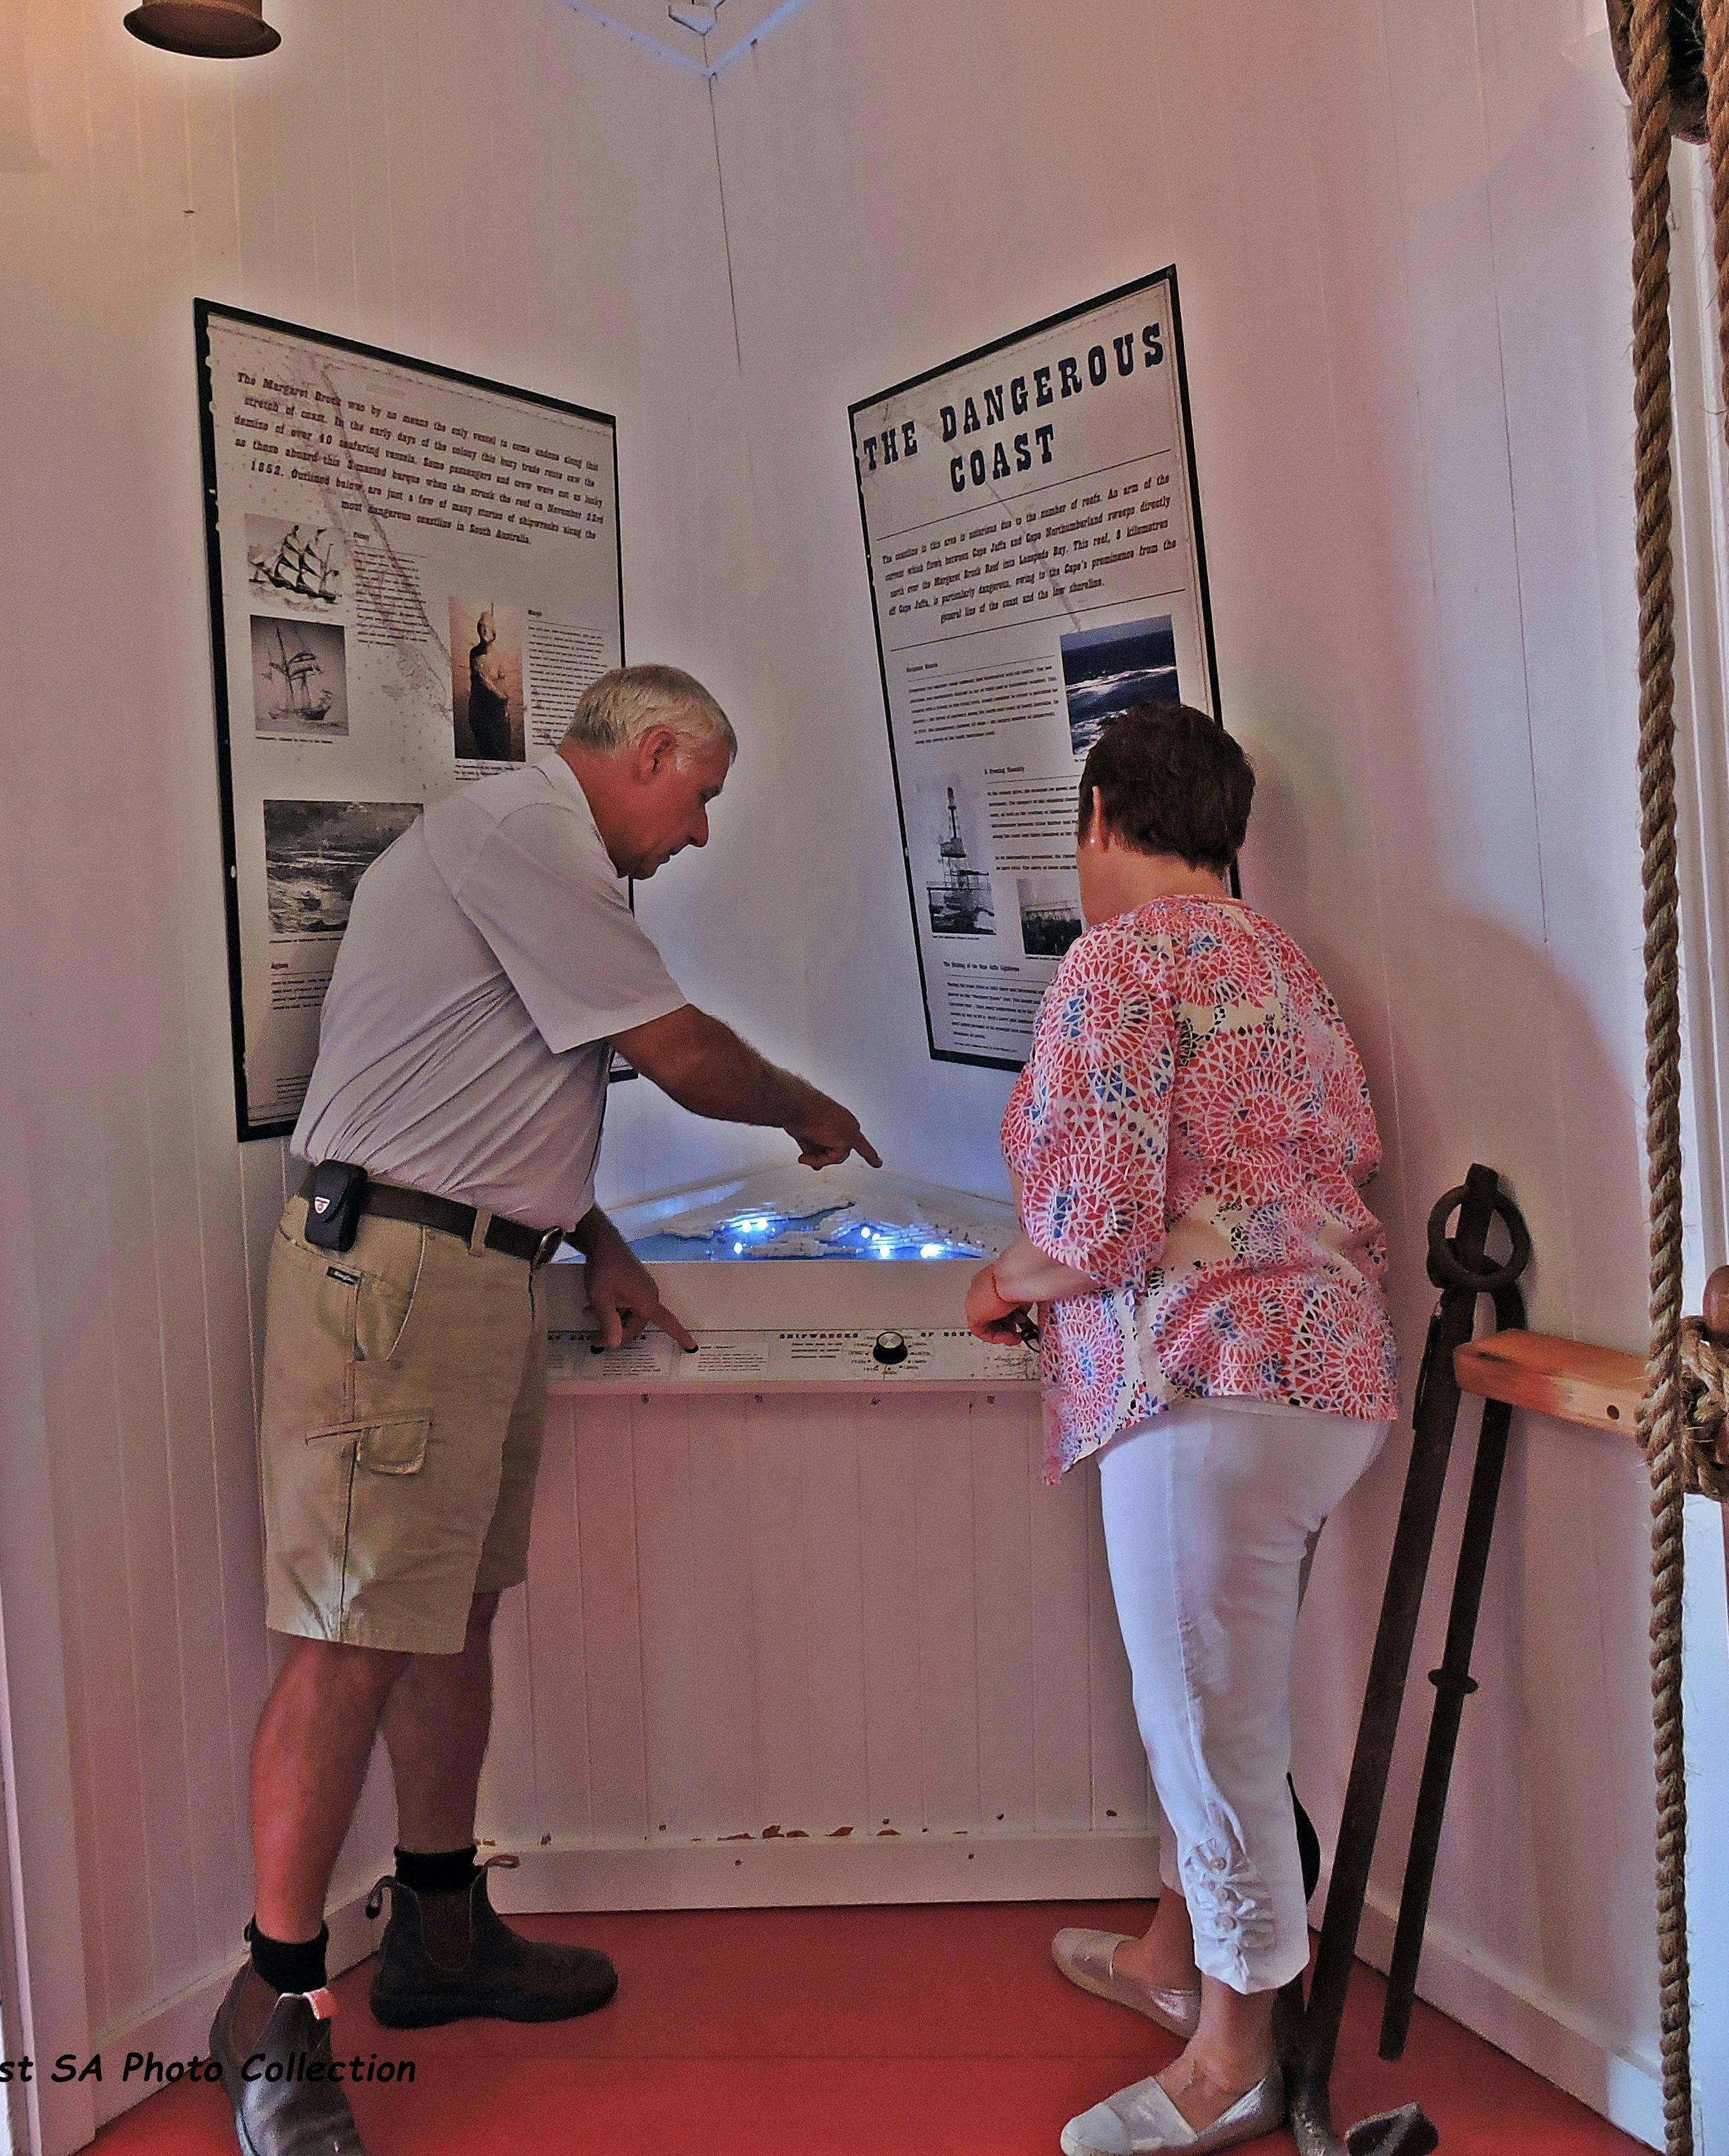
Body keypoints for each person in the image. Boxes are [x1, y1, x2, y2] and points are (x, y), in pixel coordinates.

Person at [215, 663, 878, 2156]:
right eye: (700, 795)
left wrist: (602, 1243)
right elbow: (679, 1053)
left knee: (445, 1615)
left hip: (469, 1275)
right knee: (347, 1637)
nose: (699, 831)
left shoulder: (540, 856)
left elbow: (492, 1093)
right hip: (393, 1285)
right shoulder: (525, 833)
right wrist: (811, 1110)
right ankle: (274, 2011)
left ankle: (443, 1927)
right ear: (650, 752)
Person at [964, 701, 1398, 2156]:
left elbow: (1099, 1219)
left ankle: (1232, 2059)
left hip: (1203, 1380)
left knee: (1207, 1722)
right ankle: (1170, 1950)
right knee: (1219, 1694)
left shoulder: (1116, 960)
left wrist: (1002, 1278)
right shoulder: (1287, 965)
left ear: (1100, 820)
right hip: (1329, 1376)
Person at [459, 606, 517, 760]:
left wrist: (505, 702)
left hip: (497, 713)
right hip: (481, 713)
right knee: (487, 750)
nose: (485, 631)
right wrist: (502, 696)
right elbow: (485, 681)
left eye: (488, 627)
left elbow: (502, 680)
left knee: (501, 753)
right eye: (482, 627)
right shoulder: (476, 654)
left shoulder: (497, 657)